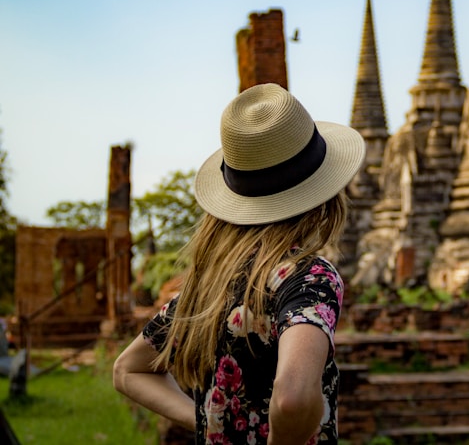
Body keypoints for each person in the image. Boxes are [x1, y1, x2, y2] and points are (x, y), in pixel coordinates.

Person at [113, 83, 365, 445]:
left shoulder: (208, 289)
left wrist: (210, 425)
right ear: (323, 194)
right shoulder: (309, 280)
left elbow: (126, 370)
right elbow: (293, 400)